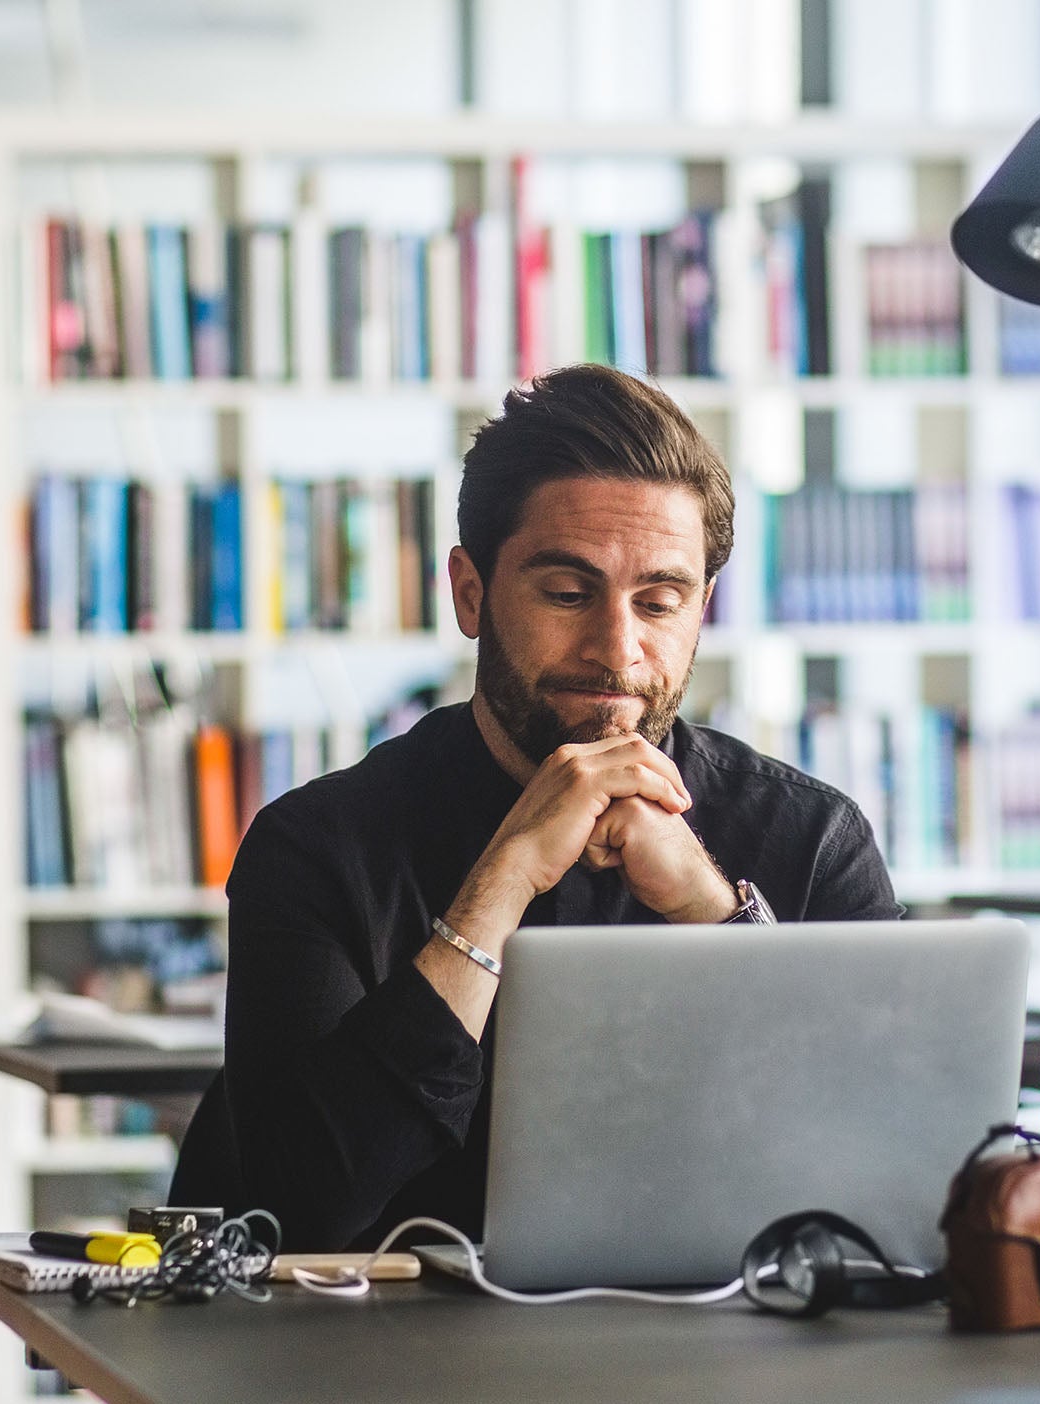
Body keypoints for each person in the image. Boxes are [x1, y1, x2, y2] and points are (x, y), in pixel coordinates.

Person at [170, 364, 902, 1252]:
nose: (617, 650)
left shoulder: (813, 839)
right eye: (567, 593)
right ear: (471, 594)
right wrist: (503, 881)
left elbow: (882, 1180)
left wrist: (714, 916)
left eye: (660, 602)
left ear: (702, 611)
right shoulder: (315, 848)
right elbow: (300, 1208)